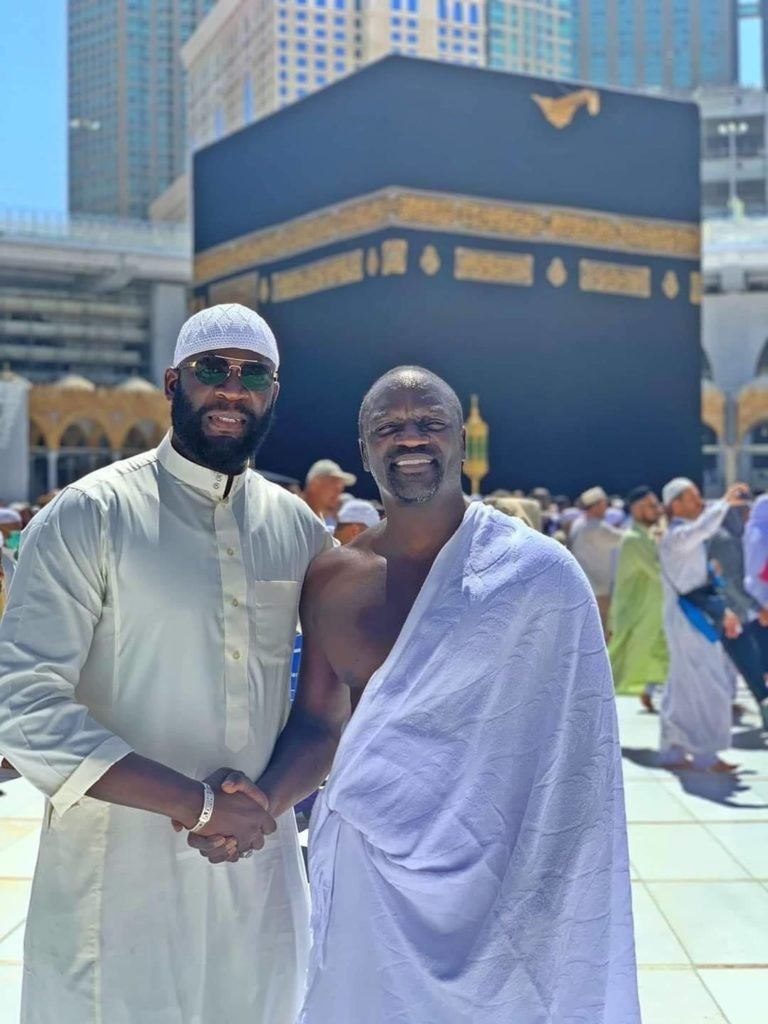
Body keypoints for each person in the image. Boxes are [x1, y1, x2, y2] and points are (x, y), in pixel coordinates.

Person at [195, 366, 640, 1023]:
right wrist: (262, 804)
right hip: (371, 883)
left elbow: (578, 773)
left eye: (430, 424)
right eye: (389, 427)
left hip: (502, 884)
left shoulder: (540, 577)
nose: (411, 438)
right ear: (363, 448)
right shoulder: (332, 580)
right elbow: (321, 723)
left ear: (463, 442)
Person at [0, 303, 332, 1024]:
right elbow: (22, 708)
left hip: (256, 869)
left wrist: (261, 807)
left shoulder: (299, 530)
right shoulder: (92, 515)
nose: (232, 390)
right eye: (214, 370)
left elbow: (328, 708)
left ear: (274, 393)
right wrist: (199, 806)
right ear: (173, 381)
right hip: (119, 877)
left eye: (254, 376)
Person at [658, 477, 749, 773]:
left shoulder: (683, 537)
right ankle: (705, 755)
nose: (699, 502)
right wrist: (724, 501)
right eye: (693, 497)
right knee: (707, 683)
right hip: (688, 621)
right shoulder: (676, 537)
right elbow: (703, 528)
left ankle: (674, 748)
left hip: (690, 617)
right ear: (676, 505)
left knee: (683, 685)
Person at [608, 487, 668, 711]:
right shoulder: (633, 539)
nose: (658, 510)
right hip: (635, 617)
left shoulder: (649, 536)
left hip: (652, 615)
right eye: (652, 506)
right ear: (637, 508)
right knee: (617, 670)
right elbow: (659, 572)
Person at [709, 502, 768, 730]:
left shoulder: (733, 536)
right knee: (747, 661)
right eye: (743, 511)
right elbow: (732, 582)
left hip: (737, 609)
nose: (747, 516)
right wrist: (756, 605)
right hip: (731, 611)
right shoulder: (725, 541)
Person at [569, 485, 625, 635]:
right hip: (599, 591)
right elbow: (626, 540)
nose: (606, 507)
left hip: (582, 586)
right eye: (604, 504)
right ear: (596, 506)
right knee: (600, 634)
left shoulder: (578, 523)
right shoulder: (597, 527)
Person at [302, 458, 357, 527]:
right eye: (335, 489)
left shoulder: (332, 524)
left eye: (340, 490)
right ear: (315, 484)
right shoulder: (290, 513)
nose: (338, 495)